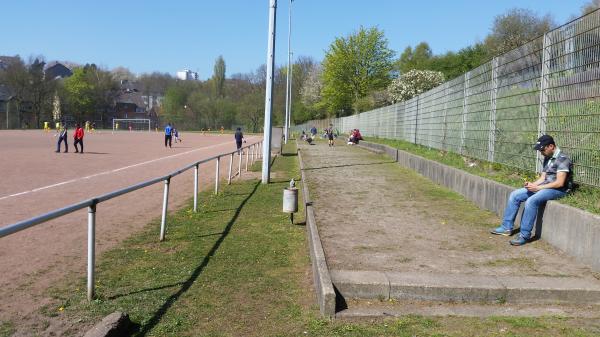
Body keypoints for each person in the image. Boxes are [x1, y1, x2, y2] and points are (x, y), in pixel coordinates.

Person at [490, 135, 573, 246]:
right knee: (515, 195)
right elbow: (543, 178)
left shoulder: (563, 159)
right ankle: (506, 227)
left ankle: (524, 235)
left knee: (531, 201)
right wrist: (532, 184)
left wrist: (538, 188)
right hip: (545, 186)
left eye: (542, 150)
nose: (541, 152)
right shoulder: (548, 157)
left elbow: (559, 183)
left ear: (551, 146)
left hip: (558, 190)